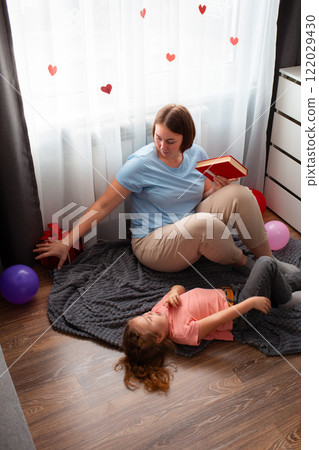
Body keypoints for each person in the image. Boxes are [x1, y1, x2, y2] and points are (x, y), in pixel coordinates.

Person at [33, 104, 298, 275]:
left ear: (186, 139)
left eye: (171, 141)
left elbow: (201, 194)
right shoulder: (139, 165)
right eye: (158, 138)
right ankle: (251, 267)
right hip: (154, 243)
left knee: (242, 194)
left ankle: (270, 262)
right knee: (206, 225)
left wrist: (215, 189)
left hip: (191, 223)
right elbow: (102, 206)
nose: (162, 146)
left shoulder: (196, 154)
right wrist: (67, 242)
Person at [114, 256, 301, 393]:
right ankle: (285, 301)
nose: (150, 313)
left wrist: (173, 292)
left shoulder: (160, 309)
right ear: (160, 337)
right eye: (148, 319)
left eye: (144, 314)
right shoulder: (181, 332)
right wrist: (249, 304)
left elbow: (179, 288)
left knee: (290, 279)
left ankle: (288, 289)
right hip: (241, 314)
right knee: (265, 264)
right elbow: (218, 319)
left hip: (234, 294)